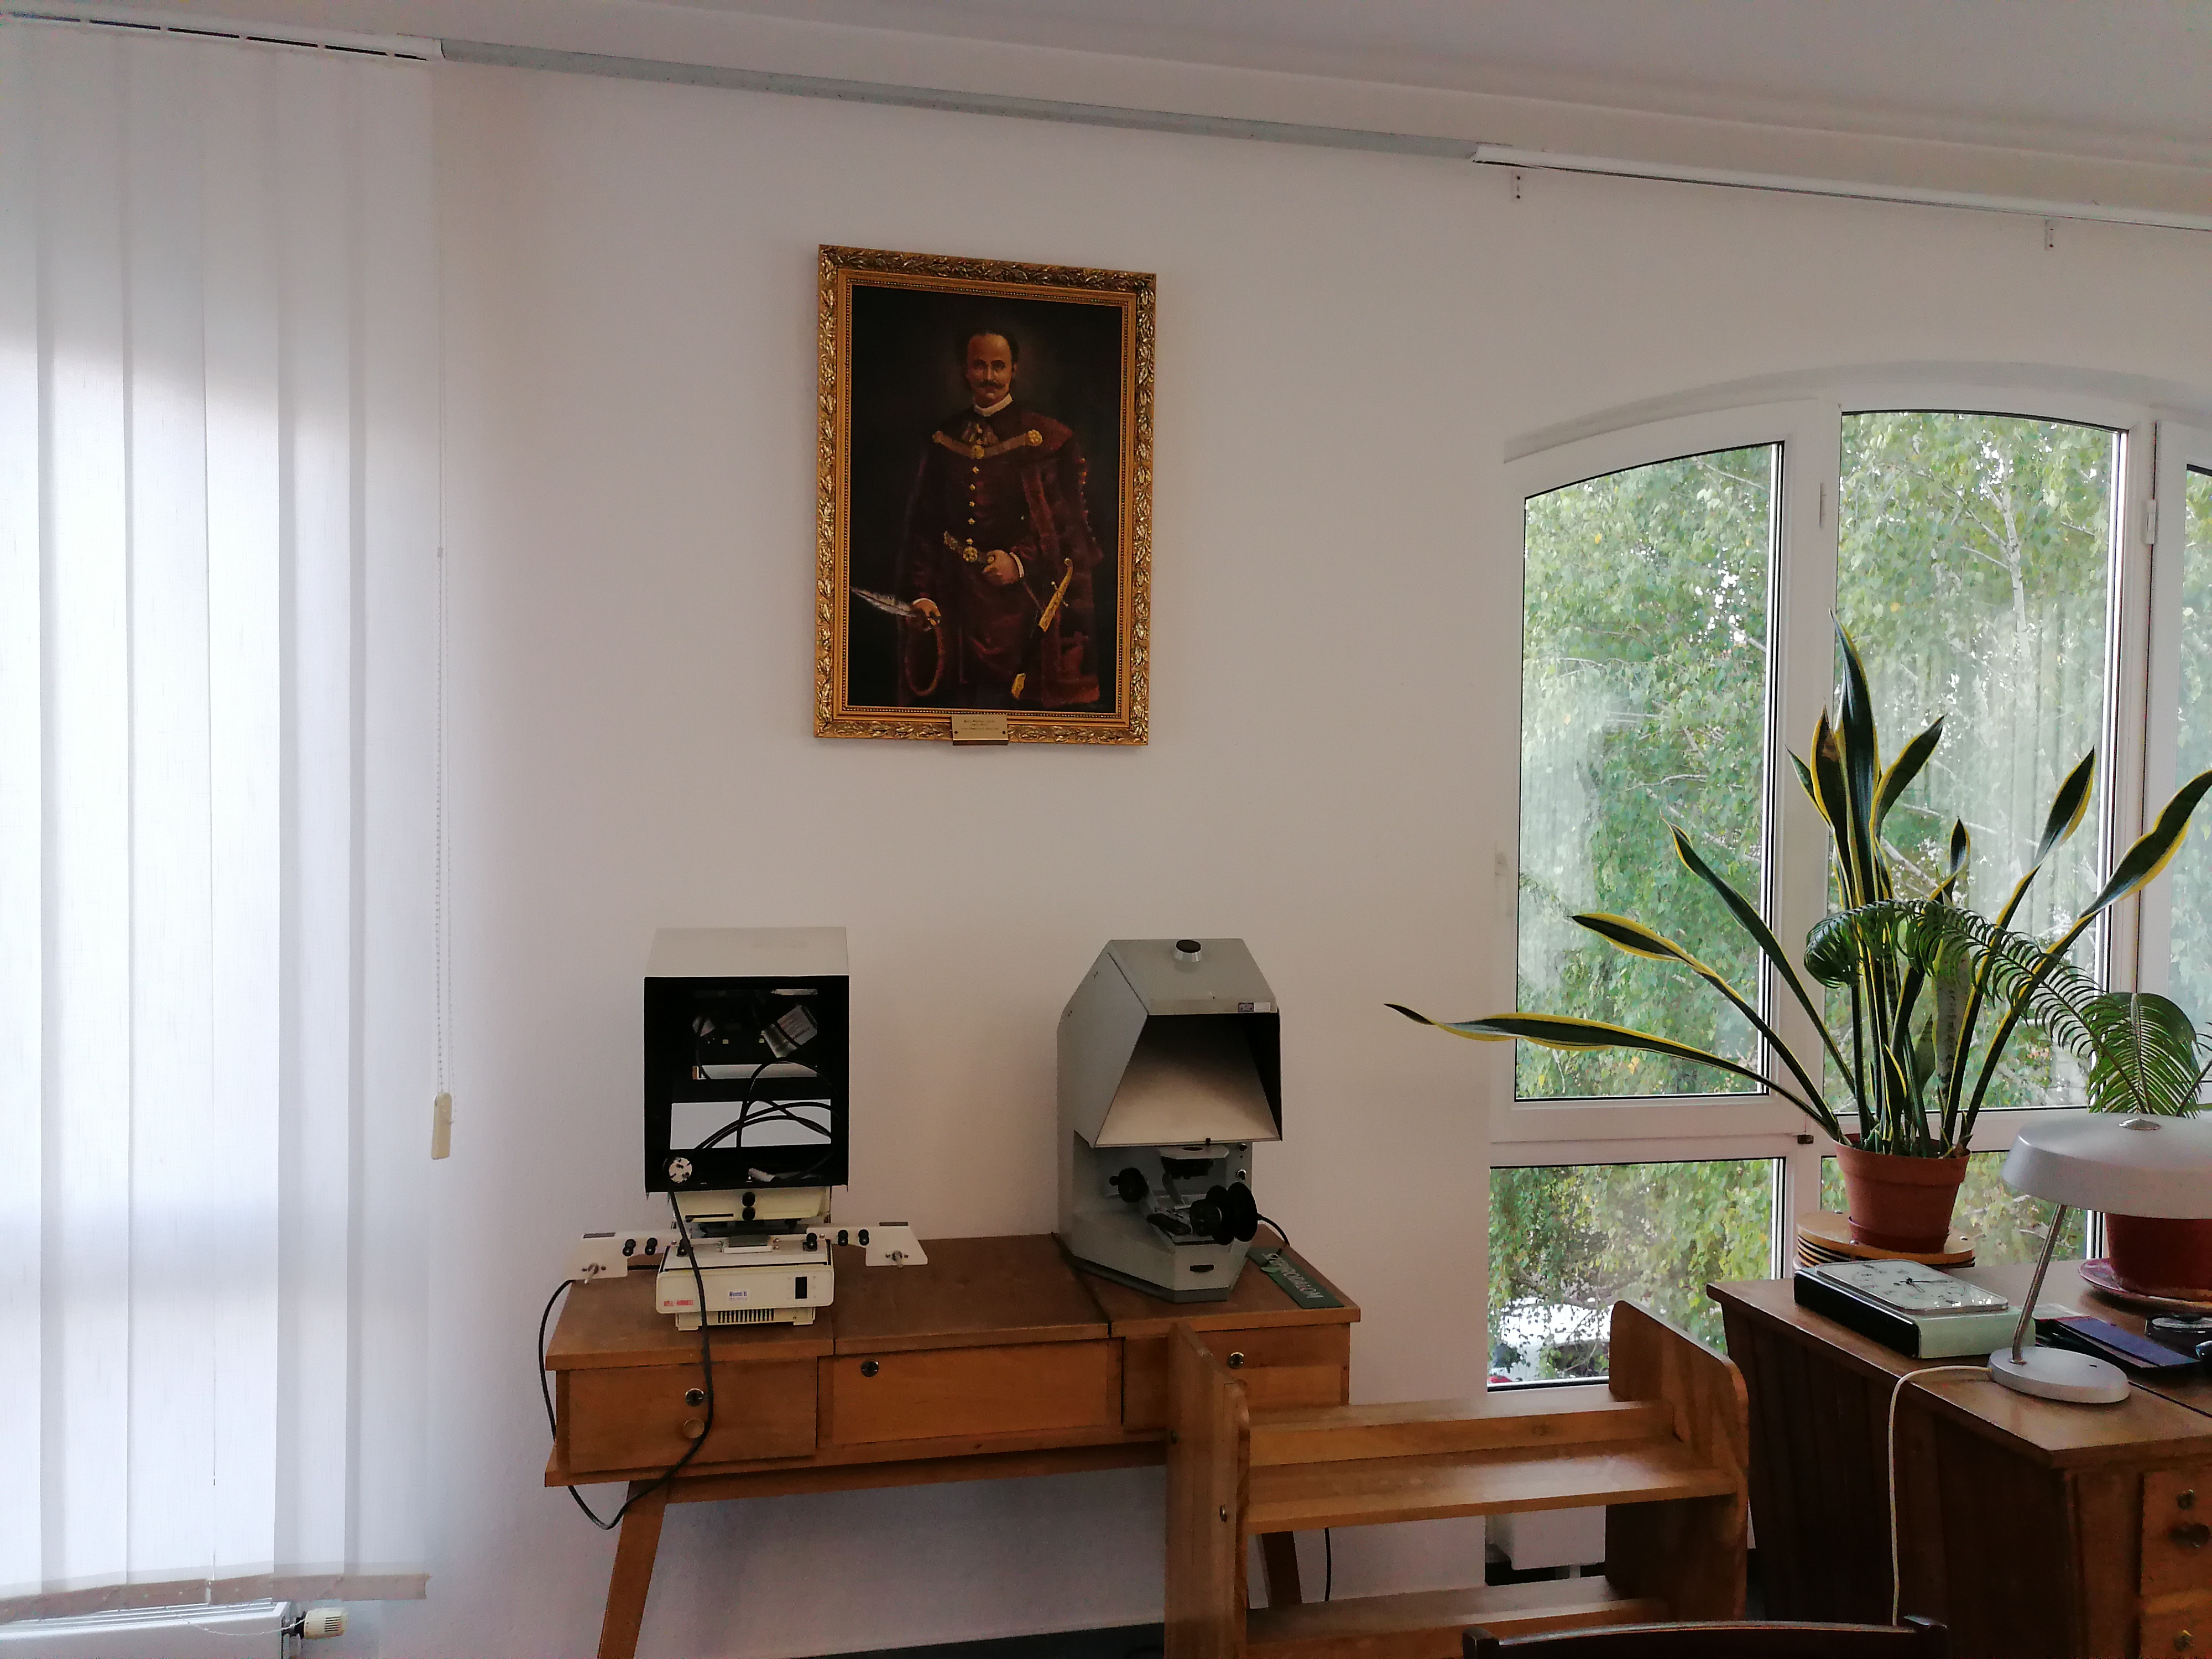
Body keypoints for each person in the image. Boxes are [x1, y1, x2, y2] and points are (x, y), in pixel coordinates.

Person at [895, 329, 1103, 708]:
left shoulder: (1047, 439)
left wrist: (1019, 562)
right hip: (953, 602)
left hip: (1019, 607)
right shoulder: (944, 439)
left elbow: (1064, 527)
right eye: (979, 366)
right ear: (965, 371)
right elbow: (925, 526)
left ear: (1014, 370)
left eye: (998, 367)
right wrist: (921, 594)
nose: (989, 377)